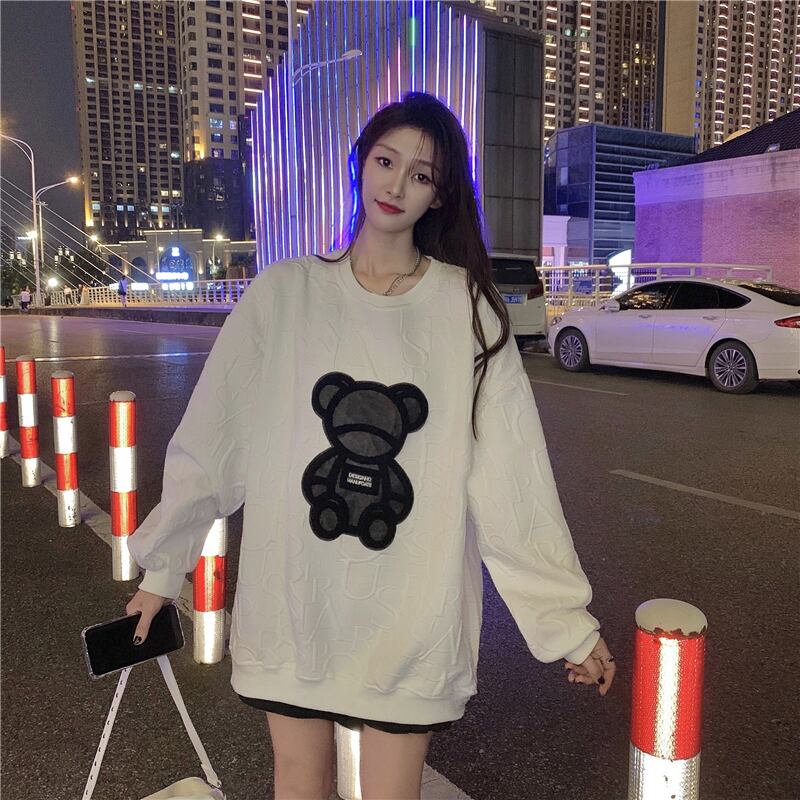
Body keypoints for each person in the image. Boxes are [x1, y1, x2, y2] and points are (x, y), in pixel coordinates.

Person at [125, 92, 615, 800]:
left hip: (411, 607)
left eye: (421, 174)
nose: (396, 185)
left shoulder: (466, 309)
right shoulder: (284, 295)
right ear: (360, 163)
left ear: (439, 195)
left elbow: (513, 477)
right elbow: (214, 437)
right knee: (298, 781)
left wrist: (566, 623)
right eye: (386, 161)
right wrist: (162, 568)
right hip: (295, 598)